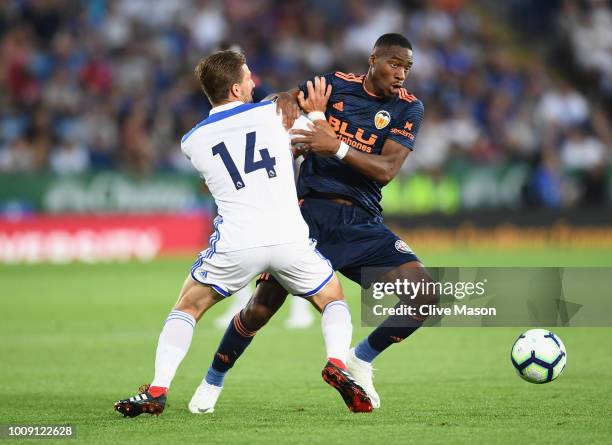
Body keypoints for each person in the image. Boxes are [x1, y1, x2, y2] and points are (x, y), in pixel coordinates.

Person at [113, 50, 373, 417]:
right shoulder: (276, 116)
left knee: (188, 306)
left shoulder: (192, 141)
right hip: (289, 238)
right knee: (333, 300)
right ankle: (336, 362)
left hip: (238, 242)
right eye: (249, 77)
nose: (255, 83)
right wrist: (312, 112)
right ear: (236, 88)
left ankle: (157, 389)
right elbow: (321, 139)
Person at [194, 33, 437, 412]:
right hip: (307, 218)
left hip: (361, 223)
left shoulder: (409, 108)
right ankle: (212, 381)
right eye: (394, 64)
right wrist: (289, 99)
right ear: (373, 59)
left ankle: (361, 359)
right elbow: (277, 101)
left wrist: (335, 145)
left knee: (424, 296)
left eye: (407, 67)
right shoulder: (336, 85)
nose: (400, 74)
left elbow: (387, 170)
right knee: (260, 309)